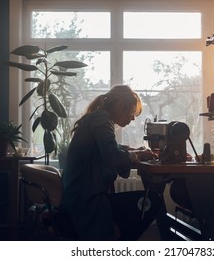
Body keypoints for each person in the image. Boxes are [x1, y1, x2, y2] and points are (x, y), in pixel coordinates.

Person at [60, 85, 162, 240]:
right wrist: (138, 155)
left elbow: (107, 148)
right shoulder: (101, 119)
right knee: (152, 202)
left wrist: (134, 150)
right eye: (132, 112)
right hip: (87, 200)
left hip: (78, 195)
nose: (133, 118)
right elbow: (112, 156)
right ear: (121, 105)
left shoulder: (96, 118)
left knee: (143, 206)